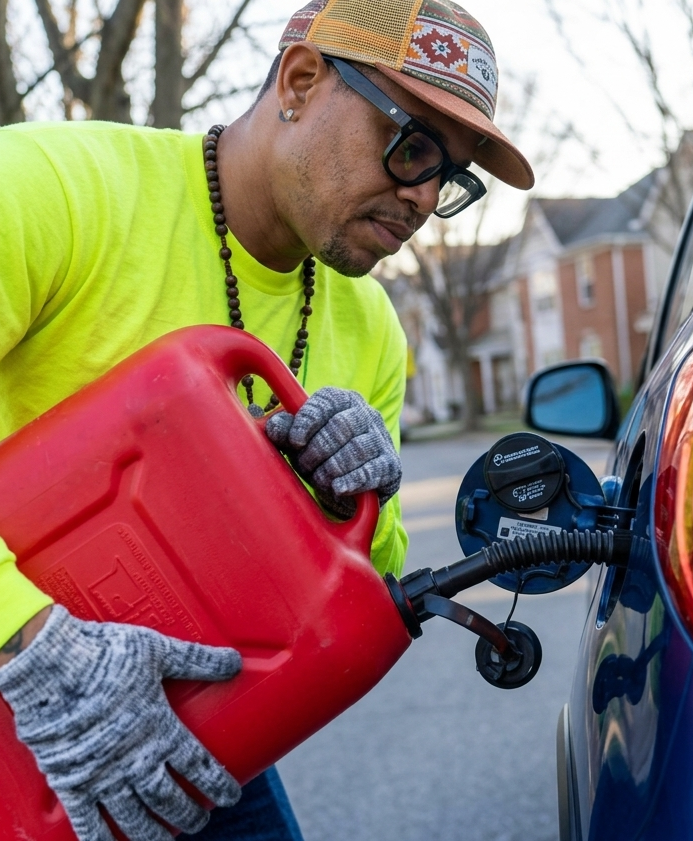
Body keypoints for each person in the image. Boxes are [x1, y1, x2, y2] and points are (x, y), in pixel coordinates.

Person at [0, 0, 534, 839]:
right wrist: (28, 640)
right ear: (300, 81)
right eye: (414, 144)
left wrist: (344, 498)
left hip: (181, 731)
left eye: (449, 176)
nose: (423, 195)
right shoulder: (51, 189)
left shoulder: (370, 327)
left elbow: (374, 565)